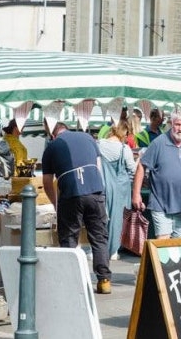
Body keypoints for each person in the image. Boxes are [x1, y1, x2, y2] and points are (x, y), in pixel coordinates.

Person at [42, 123, 112, 294]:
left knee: (69, 238)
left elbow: (46, 182)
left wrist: (55, 203)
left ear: (52, 133)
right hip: (95, 191)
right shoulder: (88, 138)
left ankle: (72, 280)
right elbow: (98, 167)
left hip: (71, 194)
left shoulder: (52, 147)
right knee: (99, 237)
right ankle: (104, 280)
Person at [132, 108, 181, 239]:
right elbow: (141, 166)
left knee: (176, 245)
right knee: (163, 242)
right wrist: (136, 194)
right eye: (177, 124)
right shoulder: (159, 142)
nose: (180, 128)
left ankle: (153, 260)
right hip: (160, 202)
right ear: (171, 123)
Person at [98, 121, 136, 260]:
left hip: (102, 184)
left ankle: (99, 248)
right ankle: (113, 250)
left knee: (101, 218)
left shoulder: (99, 144)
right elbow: (132, 168)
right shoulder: (123, 149)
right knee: (118, 220)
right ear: (124, 133)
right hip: (120, 189)